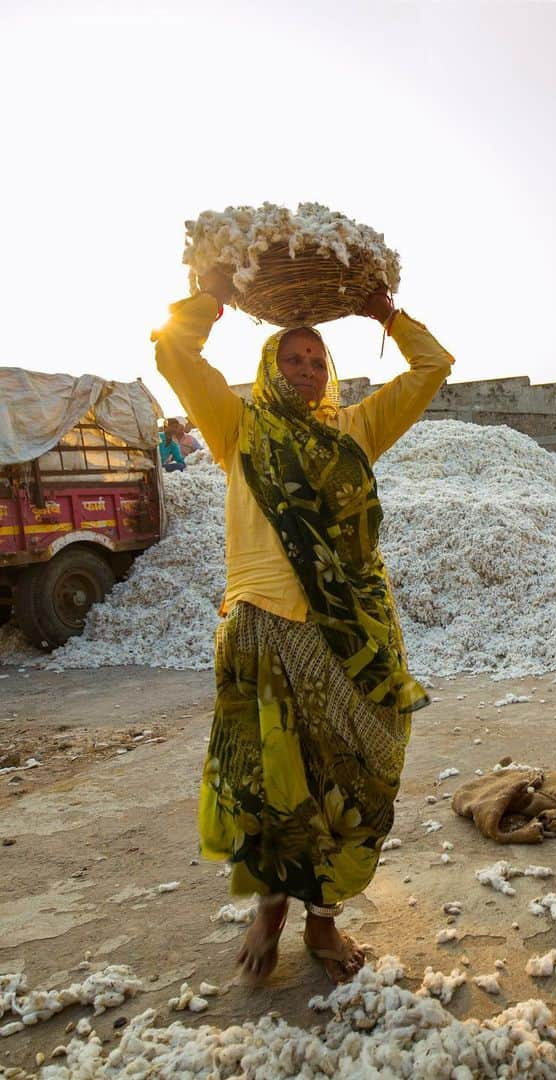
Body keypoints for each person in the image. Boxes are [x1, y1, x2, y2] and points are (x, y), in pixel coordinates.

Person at [152, 266, 453, 984]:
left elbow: (434, 366)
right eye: (292, 357)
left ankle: (322, 917)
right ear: (268, 366)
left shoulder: (354, 432)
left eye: (317, 360)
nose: (307, 369)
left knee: (357, 780)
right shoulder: (237, 428)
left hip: (351, 636)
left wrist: (388, 315)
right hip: (263, 633)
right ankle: (271, 909)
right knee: (268, 787)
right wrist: (215, 299)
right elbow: (173, 356)